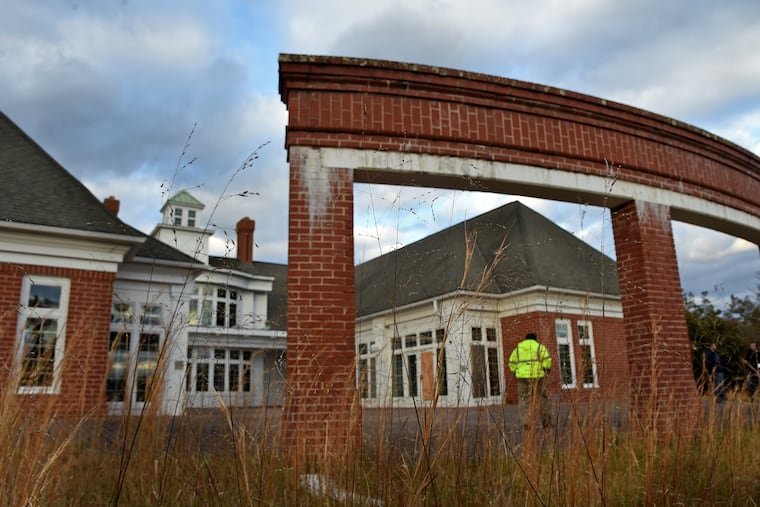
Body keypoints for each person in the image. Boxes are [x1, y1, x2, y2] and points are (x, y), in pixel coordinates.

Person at [508, 332, 553, 429]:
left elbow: (511, 362)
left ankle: (527, 423)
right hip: (538, 376)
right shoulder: (540, 348)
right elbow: (547, 360)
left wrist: (515, 372)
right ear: (535, 339)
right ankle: (547, 422)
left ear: (526, 339)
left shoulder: (518, 349)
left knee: (524, 399)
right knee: (542, 398)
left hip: (522, 377)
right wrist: (546, 370)